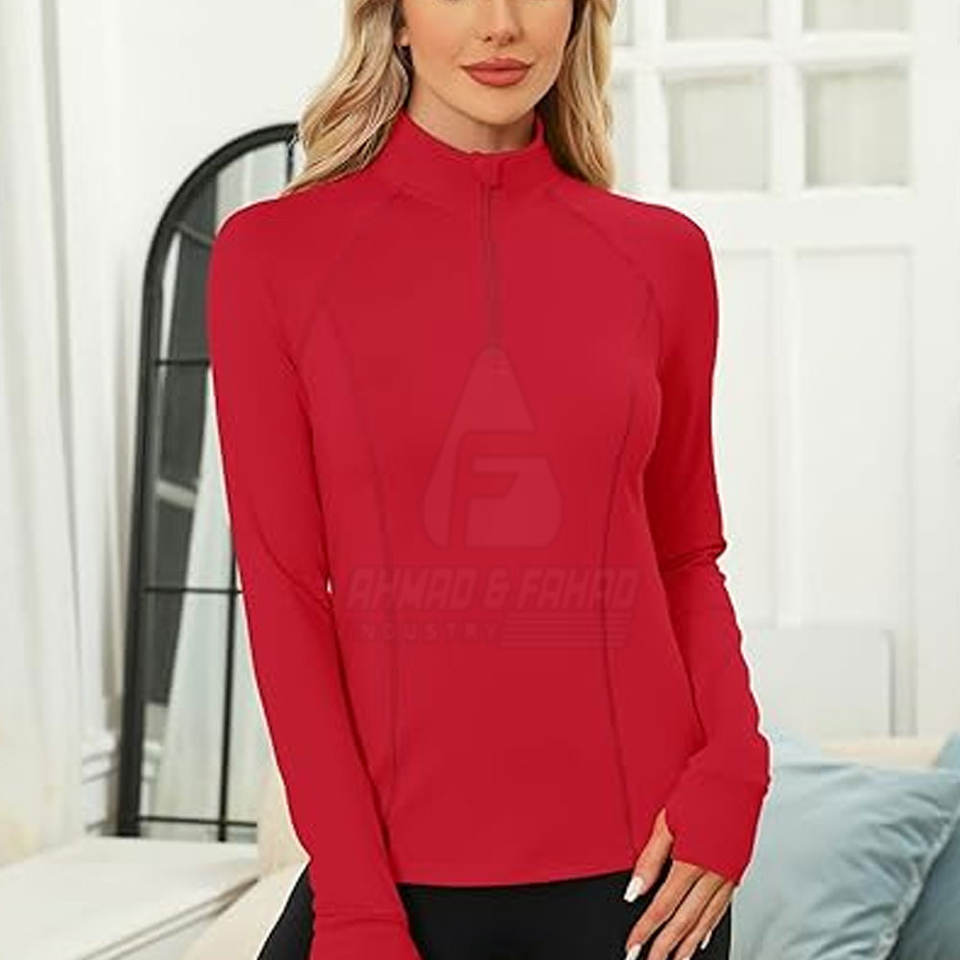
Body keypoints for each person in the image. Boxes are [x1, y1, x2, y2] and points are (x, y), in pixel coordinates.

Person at [205, 1, 771, 959]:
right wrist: (354, 901)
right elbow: (285, 593)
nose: (500, 24)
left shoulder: (662, 257)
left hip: (645, 880)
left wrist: (736, 769)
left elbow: (684, 555)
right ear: (393, 18)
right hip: (390, 891)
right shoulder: (272, 257)